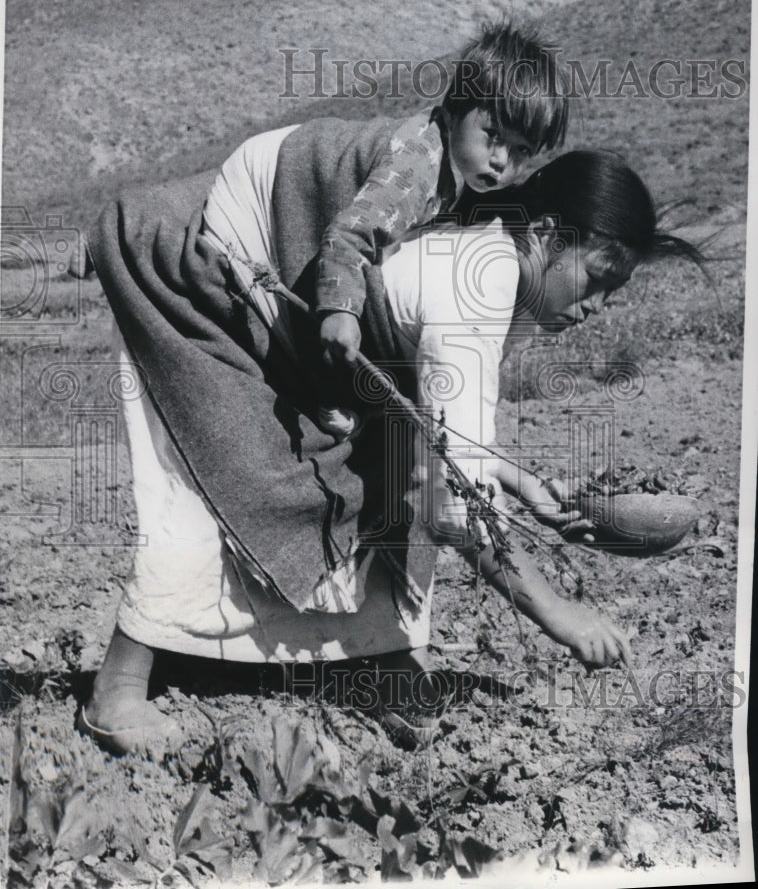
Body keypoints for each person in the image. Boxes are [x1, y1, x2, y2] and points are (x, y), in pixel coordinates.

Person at [77, 149, 702, 755]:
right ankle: (118, 686)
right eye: (596, 278)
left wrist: (522, 482)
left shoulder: (505, 276)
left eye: (613, 292)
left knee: (391, 468)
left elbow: (440, 437)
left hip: (289, 326)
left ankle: (376, 656)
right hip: (190, 278)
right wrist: (561, 615)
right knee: (214, 475)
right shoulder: (480, 287)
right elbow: (454, 504)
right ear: (544, 235)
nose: (596, 306)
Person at [202, 17, 570, 441]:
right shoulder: (418, 168)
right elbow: (350, 234)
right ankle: (323, 391)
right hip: (266, 177)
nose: (502, 160)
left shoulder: (456, 168)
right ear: (455, 110)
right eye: (493, 136)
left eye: (521, 150)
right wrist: (340, 309)